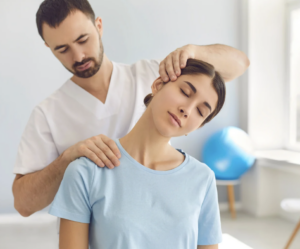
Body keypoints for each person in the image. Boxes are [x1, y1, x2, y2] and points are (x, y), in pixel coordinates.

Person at [12, 0, 250, 218]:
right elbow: (23, 204)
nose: (79, 55)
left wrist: (193, 52)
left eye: (83, 39)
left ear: (99, 26)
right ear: (48, 47)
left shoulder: (153, 74)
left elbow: (239, 64)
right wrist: (67, 159)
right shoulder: (47, 114)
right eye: (62, 49)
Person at [49, 59, 225, 249]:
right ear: (158, 85)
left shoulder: (202, 179)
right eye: (185, 92)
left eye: (200, 111)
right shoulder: (86, 171)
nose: (187, 110)